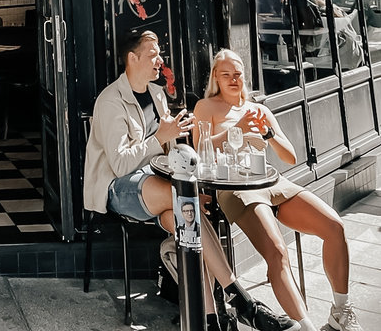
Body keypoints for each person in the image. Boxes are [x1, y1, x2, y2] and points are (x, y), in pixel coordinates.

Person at [83, 28, 296, 331]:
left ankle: (209, 319)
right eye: (152, 54)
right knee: (187, 204)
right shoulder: (110, 100)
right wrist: (161, 138)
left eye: (159, 54)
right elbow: (120, 165)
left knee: (185, 216)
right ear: (132, 58)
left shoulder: (156, 93)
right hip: (118, 188)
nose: (160, 60)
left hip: (158, 185)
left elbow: (168, 155)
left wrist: (177, 156)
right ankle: (239, 299)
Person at [195, 50, 362, 331]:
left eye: (238, 74)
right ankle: (305, 327)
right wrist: (236, 128)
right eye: (226, 74)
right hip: (236, 189)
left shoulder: (258, 109)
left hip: (272, 183)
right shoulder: (206, 107)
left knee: (334, 226)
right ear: (215, 78)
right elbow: (200, 153)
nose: (234, 79)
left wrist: (268, 133)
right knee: (277, 251)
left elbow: (290, 157)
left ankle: (340, 314)